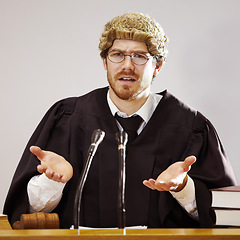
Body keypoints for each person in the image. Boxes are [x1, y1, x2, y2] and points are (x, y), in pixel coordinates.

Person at [3, 12, 237, 229]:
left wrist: (184, 188)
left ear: (158, 66)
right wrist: (53, 182)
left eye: (139, 56)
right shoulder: (67, 119)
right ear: (105, 61)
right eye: (117, 55)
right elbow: (24, 215)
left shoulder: (191, 127)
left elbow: (225, 219)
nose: (127, 65)